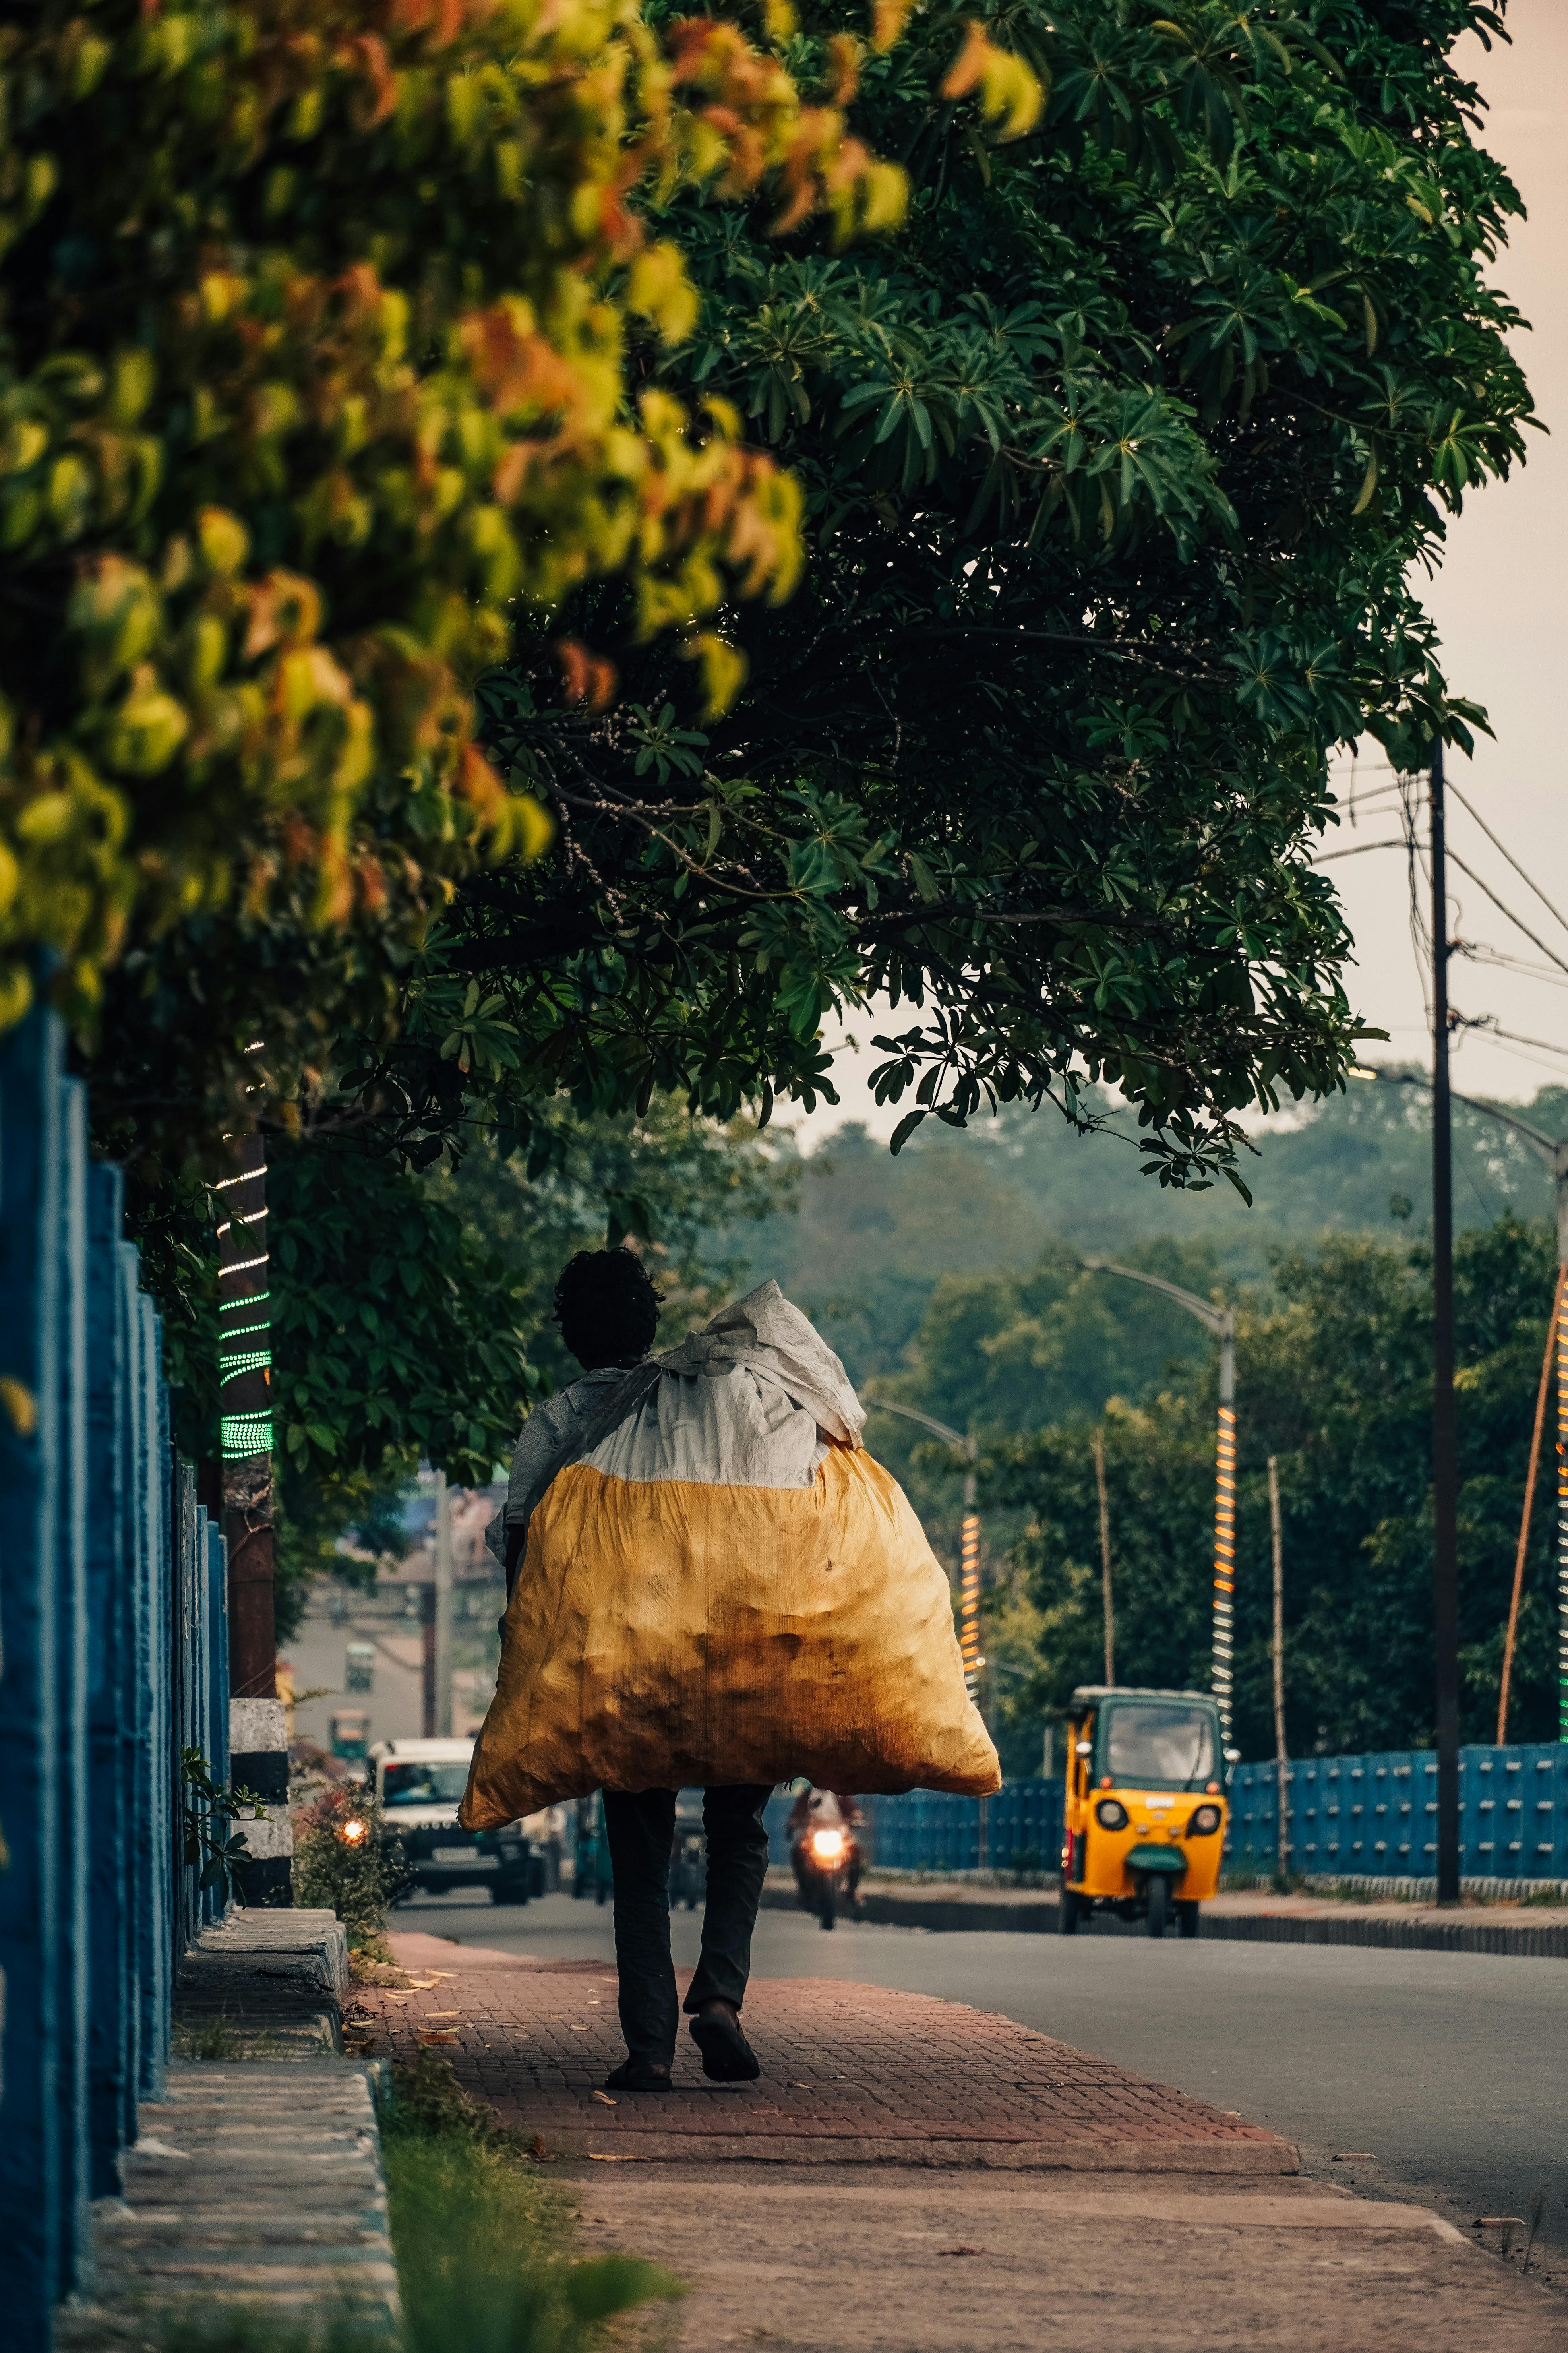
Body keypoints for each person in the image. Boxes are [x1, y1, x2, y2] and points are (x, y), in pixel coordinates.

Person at [498, 1248, 770, 2092]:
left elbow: (521, 1545)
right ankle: (720, 1996)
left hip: (628, 1673)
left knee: (641, 1858)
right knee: (738, 1832)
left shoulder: (557, 1422)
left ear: (572, 1334)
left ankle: (650, 2046)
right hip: (728, 1657)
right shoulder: (713, 1403)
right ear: (649, 1321)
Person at [787, 1782, 864, 1904]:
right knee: (797, 1851)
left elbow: (853, 1810)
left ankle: (852, 1890)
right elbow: (797, 1814)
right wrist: (793, 1821)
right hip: (813, 1837)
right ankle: (804, 1890)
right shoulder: (808, 1795)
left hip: (839, 1835)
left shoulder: (841, 1794)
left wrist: (856, 1816)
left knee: (855, 1850)